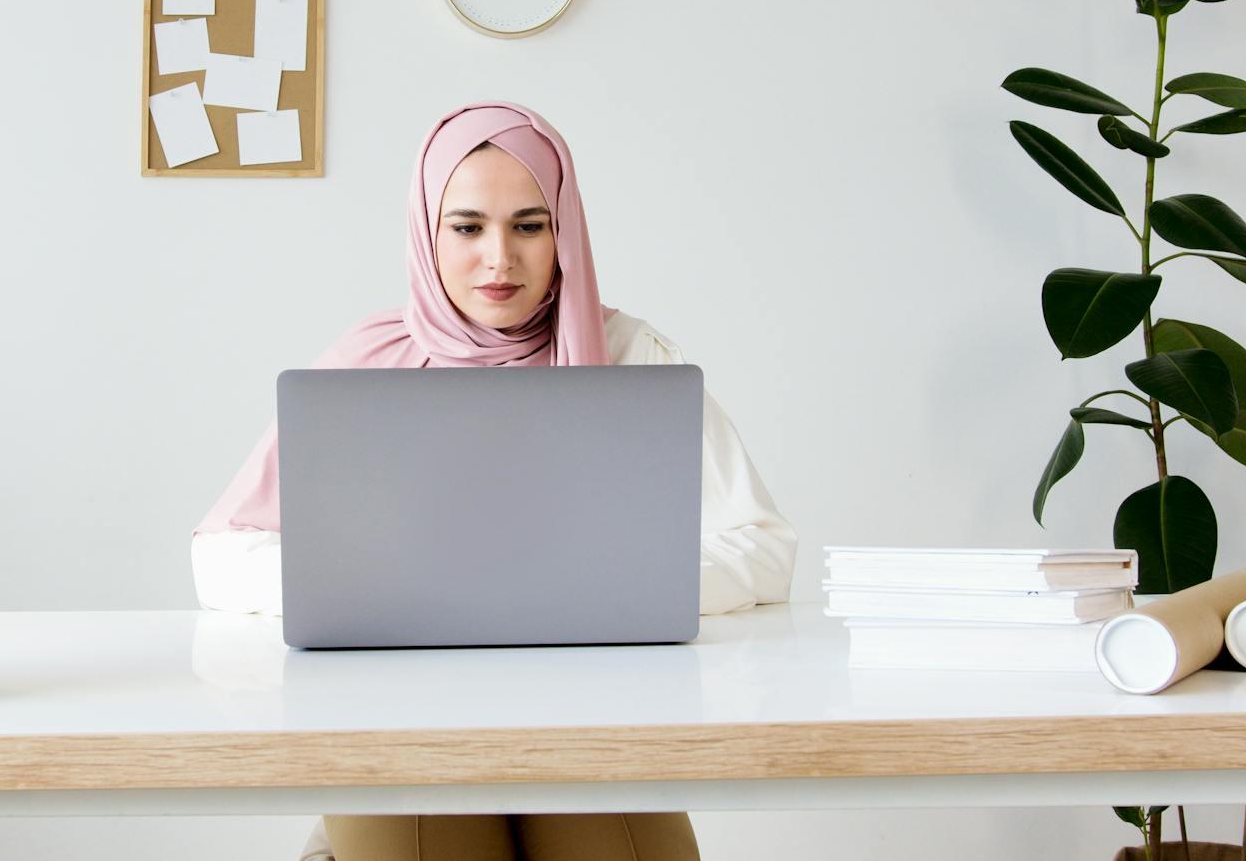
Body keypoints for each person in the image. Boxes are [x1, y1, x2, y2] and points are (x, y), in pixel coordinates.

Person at [192, 101, 797, 861]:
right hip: (398, 723)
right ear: (427, 230)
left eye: (529, 225)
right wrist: (371, 585)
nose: (499, 259)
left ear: (564, 228)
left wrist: (619, 586)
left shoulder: (631, 357)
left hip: (600, 722)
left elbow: (765, 547)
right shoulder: (365, 366)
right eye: (468, 226)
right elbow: (219, 553)